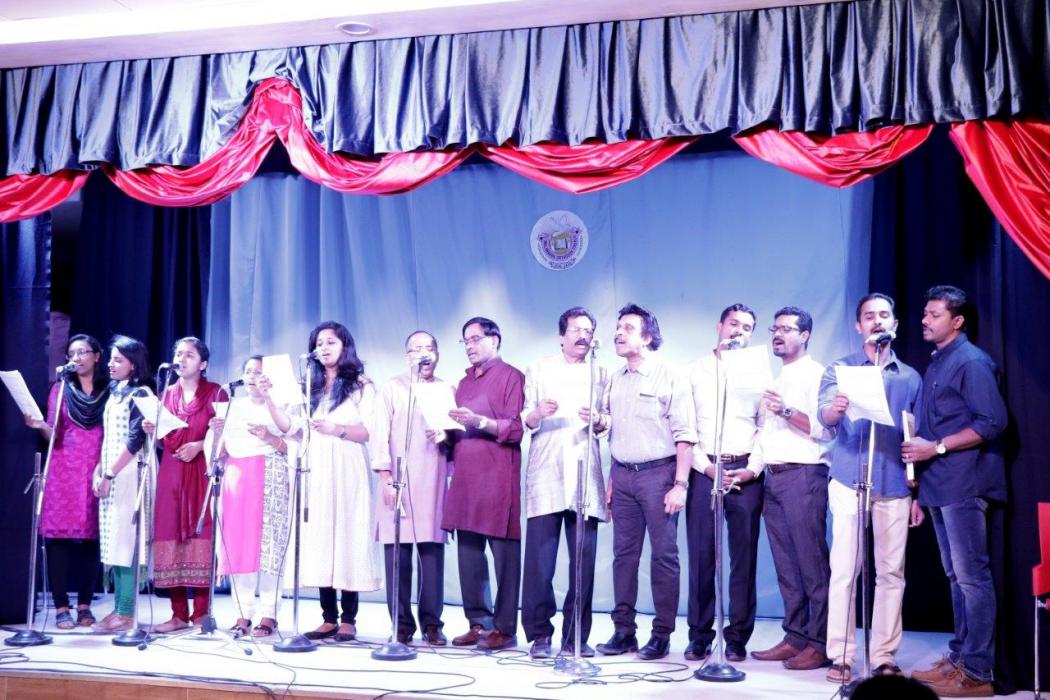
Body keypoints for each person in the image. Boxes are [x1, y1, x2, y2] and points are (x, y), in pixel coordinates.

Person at [904, 286, 1007, 698]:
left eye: (934, 315)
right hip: (940, 484)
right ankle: (961, 657)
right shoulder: (939, 361)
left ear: (957, 320)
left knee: (972, 578)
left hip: (965, 483)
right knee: (955, 577)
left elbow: (992, 422)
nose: (925, 320)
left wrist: (937, 447)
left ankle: (977, 671)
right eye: (925, 313)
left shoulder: (971, 361)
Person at [818, 293, 924, 684]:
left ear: (894, 323)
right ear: (858, 325)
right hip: (850, 478)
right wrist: (836, 408)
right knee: (845, 569)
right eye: (869, 316)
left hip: (894, 480)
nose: (877, 321)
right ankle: (842, 655)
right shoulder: (841, 368)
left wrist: (917, 490)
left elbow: (917, 435)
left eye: (883, 315)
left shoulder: (909, 377)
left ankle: (883, 656)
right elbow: (825, 417)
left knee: (891, 573)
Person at [596, 303, 696, 661]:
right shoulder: (615, 379)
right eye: (617, 327)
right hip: (622, 475)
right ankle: (624, 630)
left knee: (663, 556)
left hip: (659, 475)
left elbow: (685, 435)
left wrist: (680, 485)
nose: (618, 333)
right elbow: (616, 433)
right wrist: (611, 480)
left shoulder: (670, 375)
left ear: (648, 336)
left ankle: (662, 634)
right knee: (623, 556)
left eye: (627, 328)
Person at [520, 307, 609, 659]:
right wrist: (538, 413)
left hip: (585, 475)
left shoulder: (600, 372)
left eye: (588, 331)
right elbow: (526, 417)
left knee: (583, 563)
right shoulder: (540, 368)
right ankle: (540, 635)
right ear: (561, 336)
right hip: (547, 471)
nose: (583, 336)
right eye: (576, 330)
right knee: (539, 563)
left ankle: (576, 637)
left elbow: (607, 420)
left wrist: (599, 419)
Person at [750, 307, 832, 670]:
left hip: (804, 474)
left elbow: (825, 429)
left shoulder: (818, 375)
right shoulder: (776, 377)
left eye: (787, 329)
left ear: (805, 335)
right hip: (775, 477)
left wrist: (785, 410)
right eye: (775, 328)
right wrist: (755, 470)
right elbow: (765, 433)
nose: (778, 334)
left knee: (812, 565)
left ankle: (820, 642)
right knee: (786, 565)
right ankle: (795, 636)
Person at [685, 303, 763, 663]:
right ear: (719, 327)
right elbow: (686, 428)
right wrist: (705, 467)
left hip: (744, 471)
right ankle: (700, 634)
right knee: (702, 555)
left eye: (746, 328)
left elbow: (765, 427)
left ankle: (737, 637)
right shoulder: (694, 371)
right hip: (706, 469)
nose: (738, 332)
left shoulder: (758, 375)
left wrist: (753, 469)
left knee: (743, 559)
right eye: (734, 324)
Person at [443, 316, 525, 651]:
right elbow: (456, 431)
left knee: (505, 558)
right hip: (465, 476)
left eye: (475, 338)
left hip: (497, 475)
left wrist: (480, 421)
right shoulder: (463, 383)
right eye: (465, 340)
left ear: (495, 339)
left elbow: (515, 428)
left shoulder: (511, 377)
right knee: (469, 555)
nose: (470, 346)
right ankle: (479, 623)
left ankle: (504, 628)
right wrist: (441, 431)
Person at [298, 321, 380, 642]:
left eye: (331, 342)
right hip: (317, 465)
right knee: (322, 536)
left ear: (345, 346)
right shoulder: (309, 386)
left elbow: (369, 431)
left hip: (348, 464)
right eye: (319, 343)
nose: (324, 348)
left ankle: (348, 618)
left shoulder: (361, 385)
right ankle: (328, 617)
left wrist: (337, 429)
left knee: (348, 535)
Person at [370, 331, 451, 646]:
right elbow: (379, 434)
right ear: (407, 356)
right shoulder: (392, 388)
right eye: (417, 349)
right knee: (398, 556)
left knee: (431, 555)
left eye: (429, 348)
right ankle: (401, 625)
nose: (424, 353)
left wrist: (444, 436)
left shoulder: (446, 389)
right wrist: (385, 476)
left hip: (433, 476)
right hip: (398, 478)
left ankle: (432, 624)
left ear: (437, 355)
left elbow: (455, 436)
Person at [24, 333, 108, 630]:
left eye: (83, 352)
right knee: (58, 537)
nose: (77, 358)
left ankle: (85, 605)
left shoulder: (110, 391)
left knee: (92, 536)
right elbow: (53, 434)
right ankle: (61, 606)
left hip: (97, 467)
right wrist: (39, 425)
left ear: (97, 356)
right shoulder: (60, 389)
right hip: (62, 470)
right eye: (72, 353)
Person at [146, 336, 228, 632]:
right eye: (178, 353)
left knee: (201, 533)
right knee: (170, 533)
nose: (181, 359)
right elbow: (162, 440)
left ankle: (202, 613)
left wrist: (199, 445)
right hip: (172, 471)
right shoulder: (165, 395)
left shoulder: (216, 392)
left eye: (189, 355)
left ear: (203, 364)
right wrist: (152, 430)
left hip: (201, 470)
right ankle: (178, 614)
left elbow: (225, 434)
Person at [210, 356, 293, 639]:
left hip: (270, 473)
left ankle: (269, 613)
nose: (252, 377)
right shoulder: (233, 405)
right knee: (239, 544)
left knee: (270, 546)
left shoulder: (282, 405)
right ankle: (242, 612)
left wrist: (268, 436)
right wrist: (217, 433)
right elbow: (220, 452)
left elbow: (294, 445)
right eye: (248, 372)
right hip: (237, 476)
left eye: (258, 372)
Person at [92, 335, 153, 633]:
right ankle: (118, 608)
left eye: (118, 360)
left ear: (133, 364)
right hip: (111, 470)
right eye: (111, 359)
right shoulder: (115, 391)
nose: (110, 364)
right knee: (113, 542)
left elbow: (134, 439)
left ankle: (127, 612)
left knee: (125, 541)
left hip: (129, 473)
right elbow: (108, 438)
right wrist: (99, 469)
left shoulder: (141, 393)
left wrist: (109, 474)